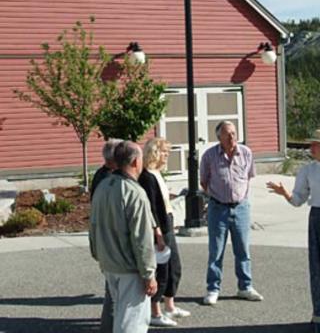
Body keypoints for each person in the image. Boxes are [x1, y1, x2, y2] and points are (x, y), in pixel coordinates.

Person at [90, 140, 157, 333]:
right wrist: (148, 274)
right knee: (131, 324)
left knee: (119, 318)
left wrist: (98, 255)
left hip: (109, 264)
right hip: (129, 268)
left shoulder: (103, 187)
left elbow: (93, 226)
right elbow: (142, 238)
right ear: (136, 161)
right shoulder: (135, 193)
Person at [200, 120, 263, 305]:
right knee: (216, 251)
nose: (231, 137)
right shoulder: (209, 156)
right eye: (227, 134)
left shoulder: (246, 153)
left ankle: (245, 287)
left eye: (234, 133)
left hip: (241, 207)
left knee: (243, 250)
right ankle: (213, 289)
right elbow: (203, 182)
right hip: (217, 207)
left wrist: (240, 196)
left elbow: (249, 177)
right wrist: (217, 196)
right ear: (218, 137)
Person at [267, 129, 320, 333]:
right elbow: (298, 200)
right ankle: (318, 316)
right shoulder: (308, 171)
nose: (311, 148)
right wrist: (285, 193)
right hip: (316, 217)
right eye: (311, 144)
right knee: (316, 268)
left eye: (315, 144)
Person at [138, 137, 190, 327]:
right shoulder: (146, 177)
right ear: (155, 152)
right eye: (165, 152)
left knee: (174, 267)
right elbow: (151, 208)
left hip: (168, 224)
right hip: (159, 228)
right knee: (162, 270)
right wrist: (157, 233)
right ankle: (155, 312)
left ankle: (170, 305)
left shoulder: (158, 174)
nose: (167, 155)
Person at [89, 138, 122, 333]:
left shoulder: (103, 175)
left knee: (112, 289)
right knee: (113, 290)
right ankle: (109, 327)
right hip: (110, 239)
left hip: (104, 239)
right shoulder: (106, 179)